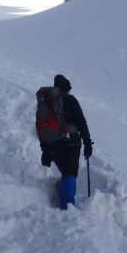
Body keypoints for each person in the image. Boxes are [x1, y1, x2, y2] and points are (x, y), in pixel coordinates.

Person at [40, 74, 92, 209]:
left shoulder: (45, 103)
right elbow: (81, 122)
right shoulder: (70, 100)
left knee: (66, 172)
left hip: (53, 146)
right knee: (70, 172)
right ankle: (67, 207)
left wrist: (45, 152)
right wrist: (87, 143)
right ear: (66, 89)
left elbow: (41, 130)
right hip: (71, 142)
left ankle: (62, 190)